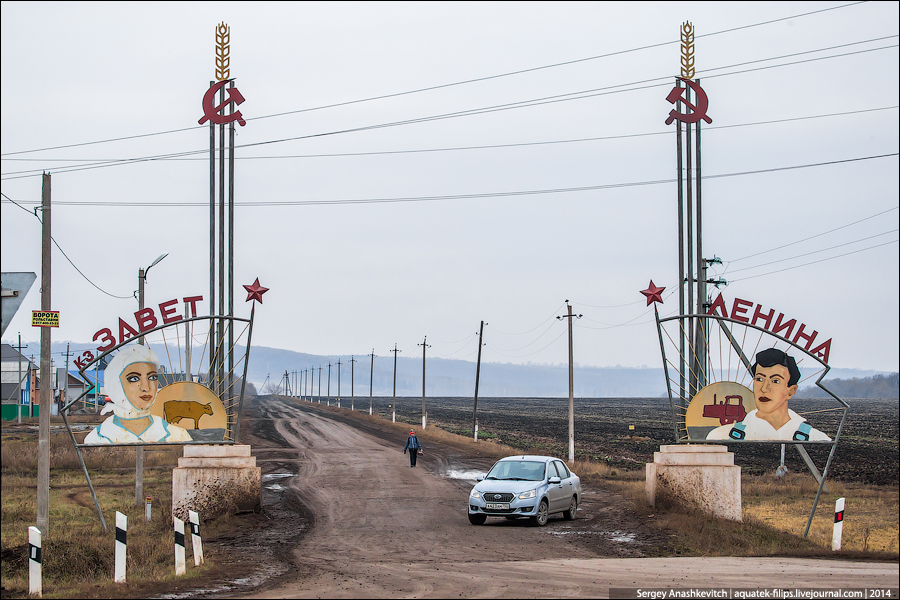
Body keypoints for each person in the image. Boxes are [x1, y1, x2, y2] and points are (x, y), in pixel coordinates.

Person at [707, 348, 831, 442]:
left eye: (775, 381)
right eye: (759, 379)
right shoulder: (719, 436)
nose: (764, 388)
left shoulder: (816, 439)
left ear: (791, 391)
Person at [83, 344, 193, 444]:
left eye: (152, 377)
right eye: (134, 378)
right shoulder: (97, 438)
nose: (146, 387)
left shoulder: (177, 435)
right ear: (116, 384)